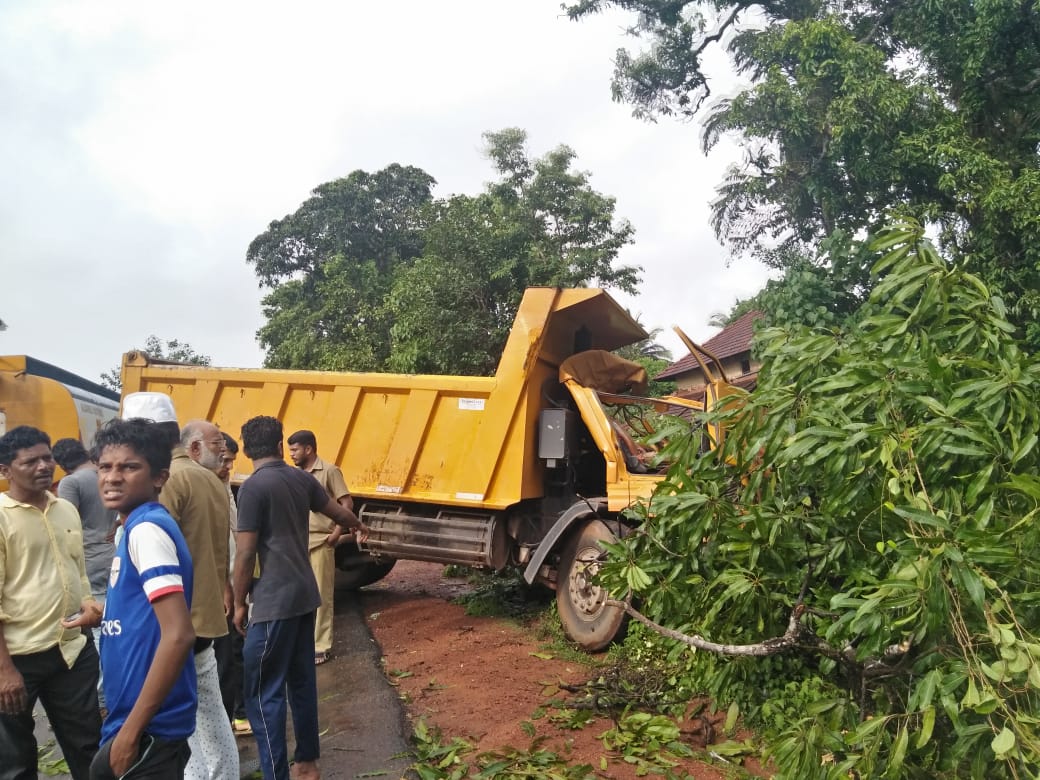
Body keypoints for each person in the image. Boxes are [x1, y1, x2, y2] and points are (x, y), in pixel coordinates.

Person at [232, 416, 369, 780]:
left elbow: (245, 554)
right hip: (303, 597)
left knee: (263, 694)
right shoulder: (301, 479)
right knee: (302, 682)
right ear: (279, 445)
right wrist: (358, 526)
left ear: (246, 450)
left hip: (273, 602)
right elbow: (339, 511)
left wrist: (239, 600)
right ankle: (307, 764)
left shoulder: (252, 488)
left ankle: (277, 774)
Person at [120, 393, 238, 780]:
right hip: (202, 614)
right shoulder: (210, 479)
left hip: (174, 619)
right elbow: (220, 549)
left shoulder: (164, 481)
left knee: (183, 721)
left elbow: (158, 552)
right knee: (209, 715)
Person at [80, 417, 197, 780]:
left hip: (148, 728)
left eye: (129, 467)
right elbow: (150, 612)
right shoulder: (134, 525)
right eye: (105, 467)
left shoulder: (145, 530)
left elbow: (178, 634)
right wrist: (108, 614)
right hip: (140, 721)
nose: (113, 477)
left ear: (159, 477)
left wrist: (130, 735)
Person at [0, 426, 102, 780]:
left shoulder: (65, 509)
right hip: (17, 660)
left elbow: (80, 570)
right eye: (31, 461)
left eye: (47, 457)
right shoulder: (1, 517)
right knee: (14, 761)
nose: (45, 466)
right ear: (5, 471)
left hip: (71, 652)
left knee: (88, 748)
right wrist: (4, 670)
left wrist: (89, 603)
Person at [53, 437, 118, 710]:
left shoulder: (71, 483)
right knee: (115, 625)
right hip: (113, 555)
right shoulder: (107, 473)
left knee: (98, 632)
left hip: (89, 562)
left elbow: (64, 524)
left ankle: (104, 695)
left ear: (60, 463)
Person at [287, 430, 352, 665]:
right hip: (299, 541)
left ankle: (321, 646)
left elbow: (346, 503)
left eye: (295, 450)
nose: (291, 454)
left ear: (309, 449)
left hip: (322, 540)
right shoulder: (293, 474)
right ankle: (301, 643)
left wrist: (336, 533)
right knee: (298, 594)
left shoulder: (330, 471)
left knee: (323, 595)